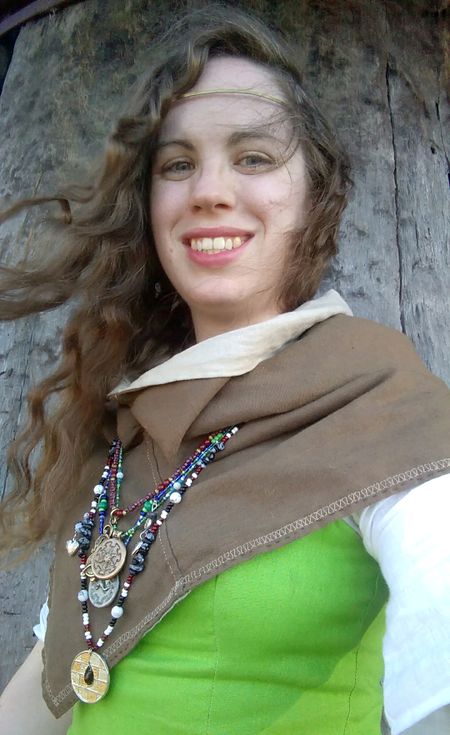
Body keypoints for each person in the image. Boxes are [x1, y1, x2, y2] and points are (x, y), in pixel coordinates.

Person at [0, 5, 449, 735]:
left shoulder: (382, 407)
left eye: (254, 157)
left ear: (315, 195)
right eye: (177, 165)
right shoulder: (132, 426)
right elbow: (57, 678)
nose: (208, 190)